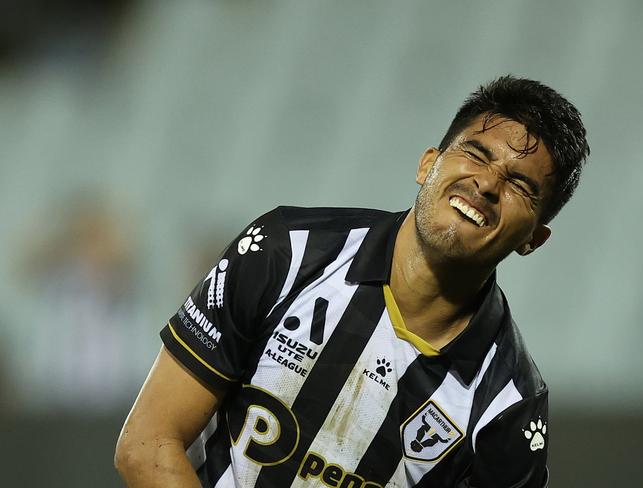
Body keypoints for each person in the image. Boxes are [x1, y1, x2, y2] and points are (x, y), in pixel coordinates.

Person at [115, 75, 589, 487]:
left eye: (519, 185)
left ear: (534, 238)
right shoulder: (284, 253)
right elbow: (147, 443)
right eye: (475, 153)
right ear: (429, 164)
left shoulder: (508, 405)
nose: (487, 184)